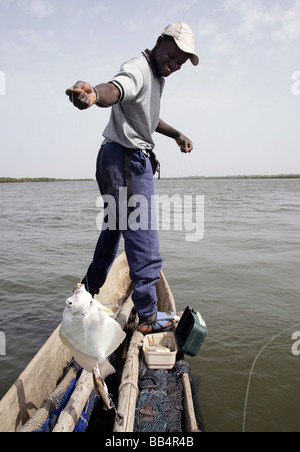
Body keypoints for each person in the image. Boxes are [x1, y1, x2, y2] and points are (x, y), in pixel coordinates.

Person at [66, 22, 199, 334]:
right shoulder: (139, 68)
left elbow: (148, 118)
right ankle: (149, 318)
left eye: (181, 62)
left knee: (113, 230)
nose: (176, 64)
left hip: (115, 157)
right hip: (126, 159)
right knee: (143, 237)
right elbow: (115, 89)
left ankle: (85, 295)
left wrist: (176, 134)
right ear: (160, 41)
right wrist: (94, 93)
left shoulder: (154, 78)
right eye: (174, 55)